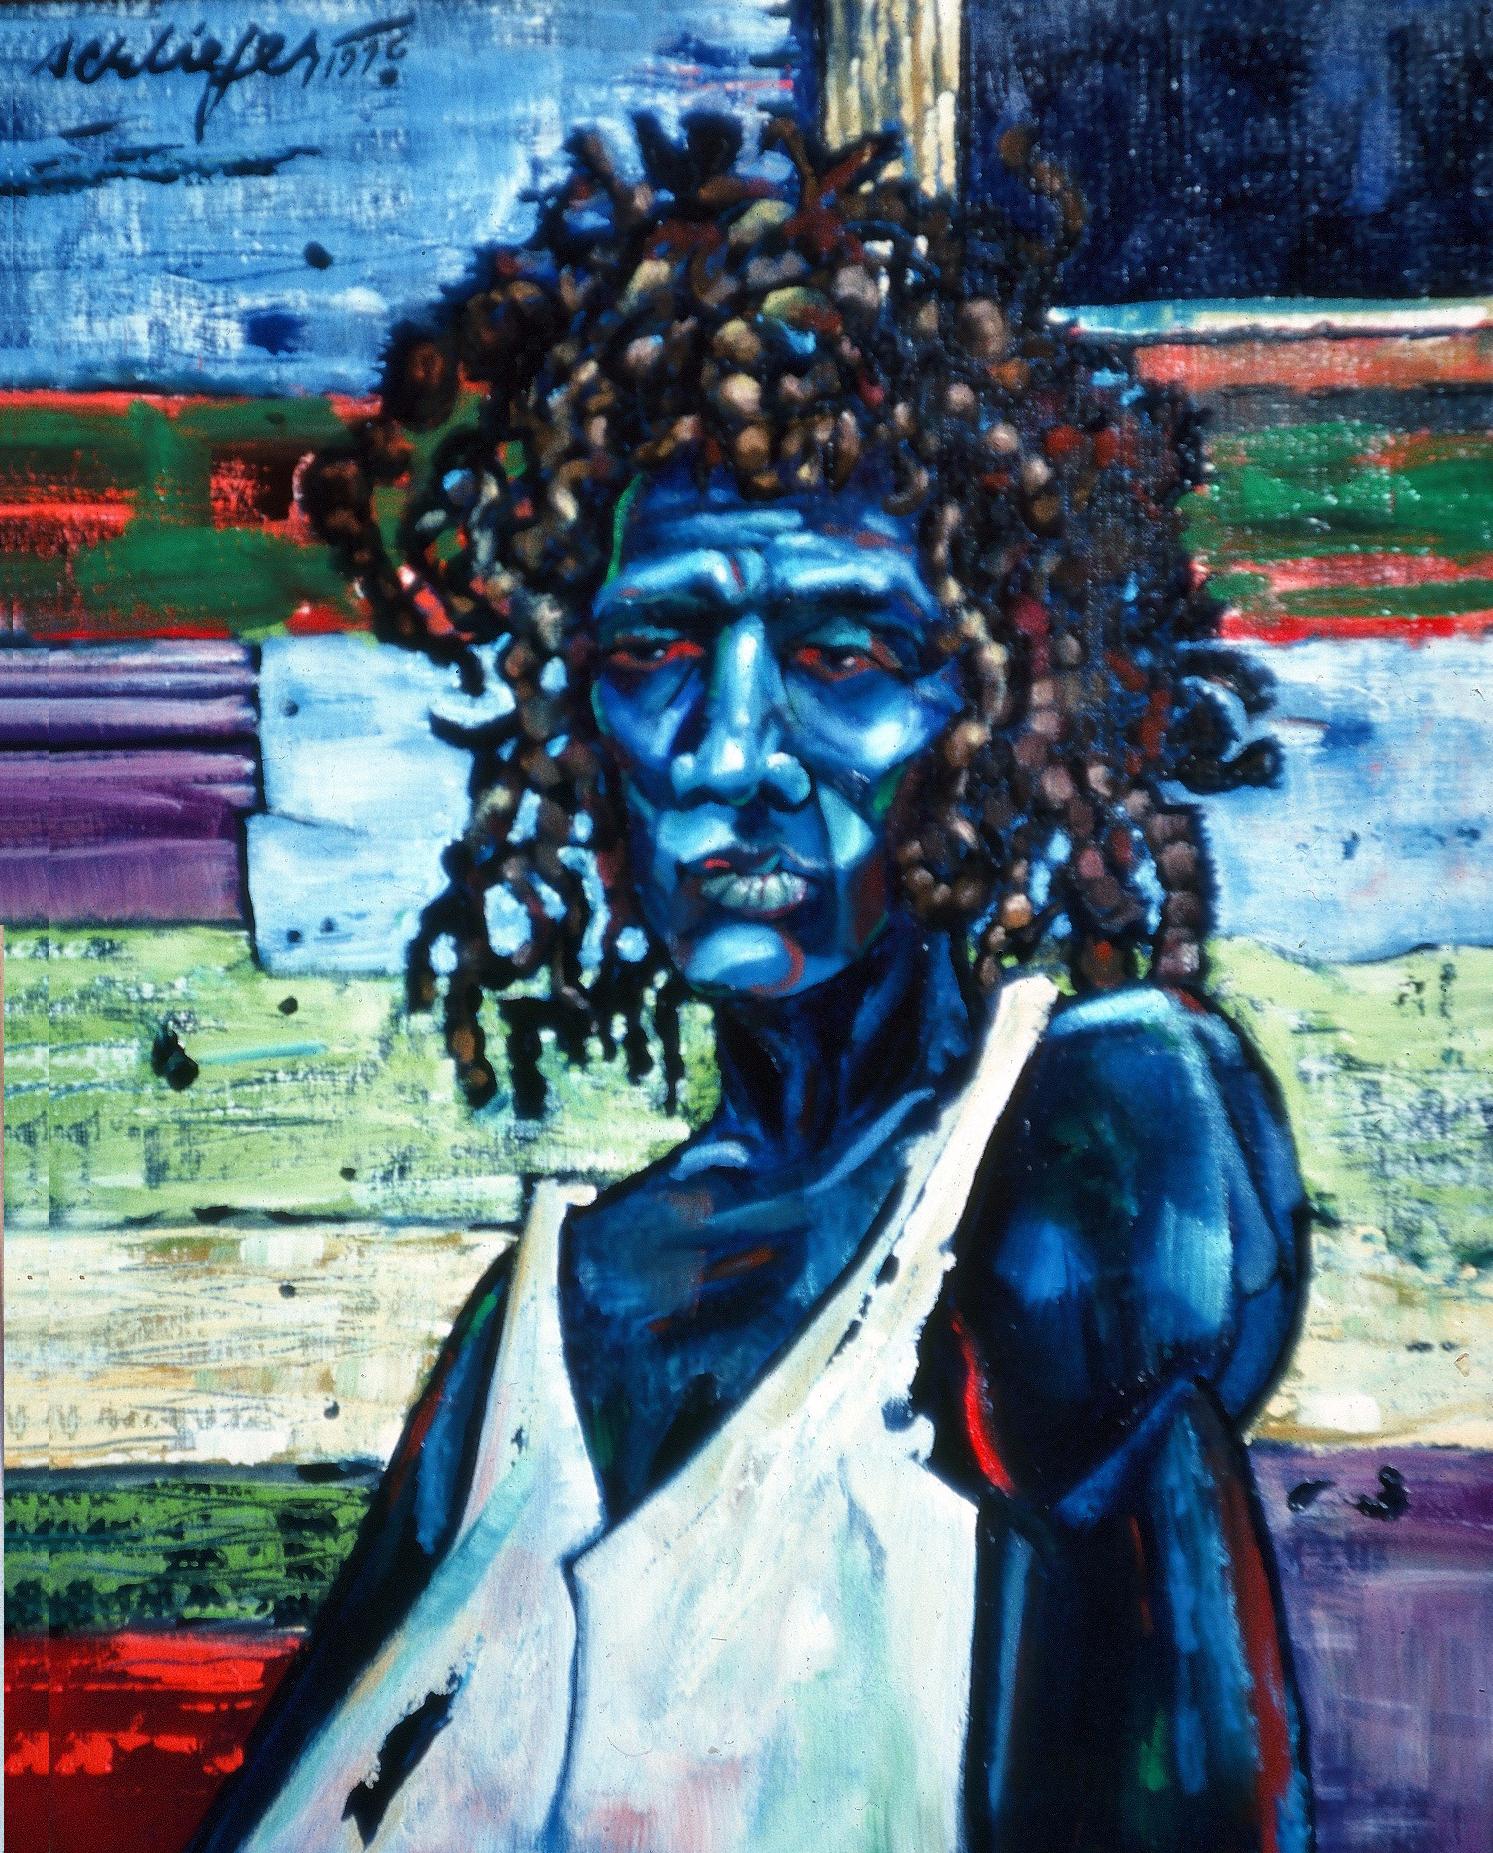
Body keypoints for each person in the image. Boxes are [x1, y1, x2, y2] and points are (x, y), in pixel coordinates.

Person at [190, 115, 1312, 1852]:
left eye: (840, 653)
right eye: (654, 648)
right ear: (578, 720)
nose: (730, 755)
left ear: (1002, 713)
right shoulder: (540, 1316)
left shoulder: (1069, 1214)